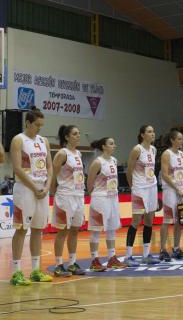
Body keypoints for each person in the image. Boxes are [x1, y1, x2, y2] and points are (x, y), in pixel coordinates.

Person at [10, 108, 53, 286]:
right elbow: (17, 168)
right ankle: (16, 272)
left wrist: (47, 186)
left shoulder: (44, 141)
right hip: (25, 190)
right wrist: (34, 187)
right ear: (28, 123)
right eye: (37, 125)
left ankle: (36, 271)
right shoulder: (18, 140)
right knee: (21, 229)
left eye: (42, 125)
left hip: (42, 190)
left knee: (38, 229)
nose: (39, 128)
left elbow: (50, 167)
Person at [87, 137, 127, 271]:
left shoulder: (114, 160)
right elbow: (89, 183)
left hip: (113, 198)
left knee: (111, 229)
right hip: (100, 199)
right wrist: (97, 194)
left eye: (114, 143)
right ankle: (94, 260)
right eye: (111, 143)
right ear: (103, 146)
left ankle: (112, 258)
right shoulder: (97, 162)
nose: (114, 146)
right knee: (96, 230)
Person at [52, 125, 87, 277]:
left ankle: (72, 263)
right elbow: (52, 174)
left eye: (79, 133)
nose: (77, 136)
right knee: (62, 231)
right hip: (65, 196)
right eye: (74, 134)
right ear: (66, 137)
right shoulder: (62, 153)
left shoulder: (78, 153)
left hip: (78, 195)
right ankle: (59, 265)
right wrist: (53, 193)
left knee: (75, 230)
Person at [125, 125, 161, 266]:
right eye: (149, 131)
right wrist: (132, 186)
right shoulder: (137, 149)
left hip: (152, 187)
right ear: (142, 135)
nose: (153, 134)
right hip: (139, 188)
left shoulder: (153, 149)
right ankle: (129, 256)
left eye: (153, 131)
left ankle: (146, 255)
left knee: (149, 220)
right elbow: (129, 170)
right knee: (136, 220)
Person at [158, 130, 183, 262]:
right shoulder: (167, 154)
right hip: (170, 190)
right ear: (172, 140)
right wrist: (177, 188)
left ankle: (176, 248)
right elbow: (165, 174)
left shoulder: (181, 154)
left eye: (182, 139)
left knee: (180, 221)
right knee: (167, 220)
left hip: (181, 191)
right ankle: (162, 249)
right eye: (179, 139)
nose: (181, 141)